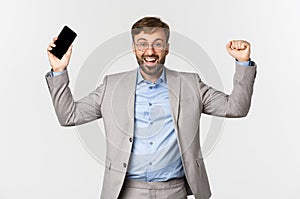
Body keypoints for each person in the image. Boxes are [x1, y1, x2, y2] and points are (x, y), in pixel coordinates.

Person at [46, 16, 256, 199]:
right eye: (142, 44)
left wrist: (242, 63)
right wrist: (59, 70)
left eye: (157, 43)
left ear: (167, 48)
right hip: (127, 191)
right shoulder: (111, 86)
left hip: (174, 190)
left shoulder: (190, 84)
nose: (150, 51)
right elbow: (69, 115)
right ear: (134, 48)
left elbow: (236, 107)